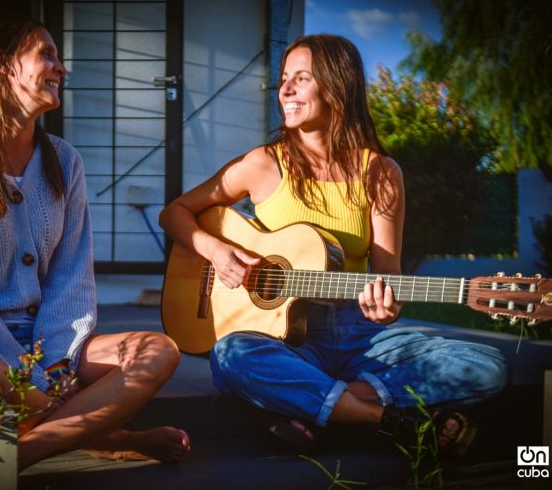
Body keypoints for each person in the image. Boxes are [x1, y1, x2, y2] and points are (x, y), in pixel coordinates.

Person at [159, 34, 507, 456]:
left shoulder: (380, 172)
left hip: (360, 336)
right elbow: (175, 212)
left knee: (485, 365)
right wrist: (215, 251)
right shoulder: (263, 164)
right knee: (232, 355)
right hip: (287, 342)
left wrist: (387, 308)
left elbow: (387, 273)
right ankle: (389, 421)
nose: (284, 89)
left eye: (300, 79)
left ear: (337, 87)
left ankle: (320, 406)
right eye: (284, 78)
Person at [0, 11, 190, 471]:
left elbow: (72, 278)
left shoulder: (64, 161)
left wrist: (55, 363)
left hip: (47, 345)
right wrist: (37, 382)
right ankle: (102, 433)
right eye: (47, 55)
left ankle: (17, 457)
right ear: (2, 63)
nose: (61, 67)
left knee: (159, 351)